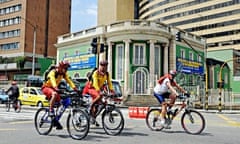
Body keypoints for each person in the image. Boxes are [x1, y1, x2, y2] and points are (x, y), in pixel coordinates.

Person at [42, 60, 79, 130]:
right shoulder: (53, 72)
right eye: (65, 68)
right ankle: (50, 110)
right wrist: (55, 87)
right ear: (60, 67)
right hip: (47, 88)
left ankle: (55, 121)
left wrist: (75, 88)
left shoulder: (63, 74)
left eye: (67, 69)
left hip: (55, 88)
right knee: (54, 93)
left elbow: (69, 81)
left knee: (65, 102)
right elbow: (52, 80)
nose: (66, 70)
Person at [82, 60, 115, 126]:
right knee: (99, 96)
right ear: (99, 66)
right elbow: (95, 84)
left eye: (105, 66)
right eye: (102, 66)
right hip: (90, 89)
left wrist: (112, 91)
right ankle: (90, 106)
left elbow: (109, 83)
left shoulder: (107, 74)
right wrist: (99, 91)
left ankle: (93, 118)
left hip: (97, 91)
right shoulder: (96, 73)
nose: (103, 67)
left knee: (101, 104)